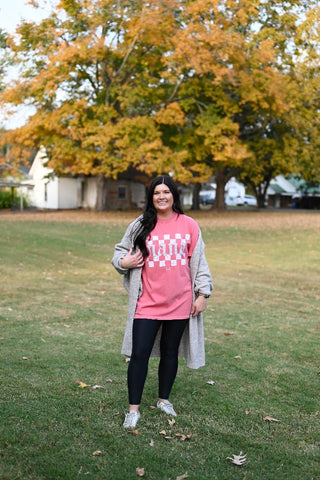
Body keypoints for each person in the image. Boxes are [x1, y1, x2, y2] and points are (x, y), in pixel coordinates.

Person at [112, 175, 213, 429]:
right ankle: (133, 410)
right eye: (157, 192)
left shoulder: (189, 225)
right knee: (139, 354)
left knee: (170, 353)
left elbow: (199, 262)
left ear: (174, 195)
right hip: (146, 302)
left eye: (166, 192)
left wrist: (203, 294)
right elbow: (119, 252)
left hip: (180, 303)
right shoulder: (140, 224)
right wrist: (124, 263)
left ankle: (163, 399)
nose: (161, 196)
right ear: (151, 197)